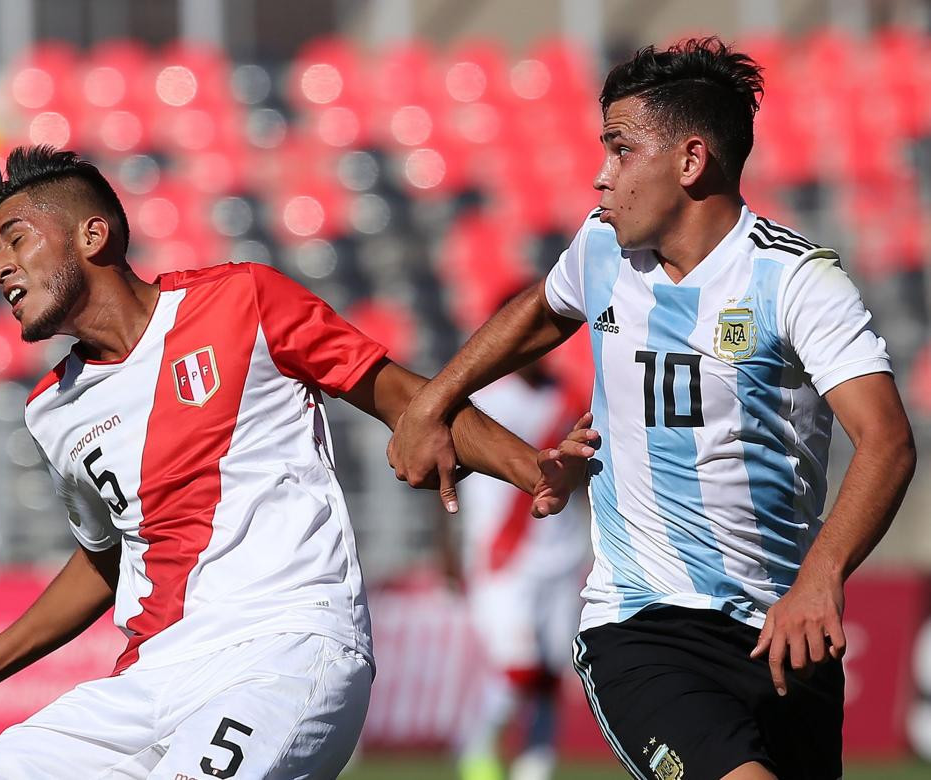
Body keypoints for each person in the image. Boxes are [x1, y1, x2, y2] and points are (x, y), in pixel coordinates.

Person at [0, 145, 579, 780]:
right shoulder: (52, 411)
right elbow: (106, 556)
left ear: (95, 235)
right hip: (146, 681)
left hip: (284, 653)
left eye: (16, 240)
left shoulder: (242, 301)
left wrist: (529, 468)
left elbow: (405, 397)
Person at [388, 37, 916, 780]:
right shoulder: (602, 249)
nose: (601, 176)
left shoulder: (794, 281)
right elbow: (542, 311)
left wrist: (820, 578)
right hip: (644, 626)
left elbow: (887, 441)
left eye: (622, 150)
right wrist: (436, 400)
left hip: (784, 630)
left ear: (690, 161)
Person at [447, 354, 590, 780]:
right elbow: (450, 469)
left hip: (563, 558)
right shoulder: (485, 403)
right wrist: (448, 545)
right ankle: (475, 746)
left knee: (549, 675)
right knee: (518, 668)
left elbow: (583, 477)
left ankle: (535, 768)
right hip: (503, 560)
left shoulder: (568, 400)